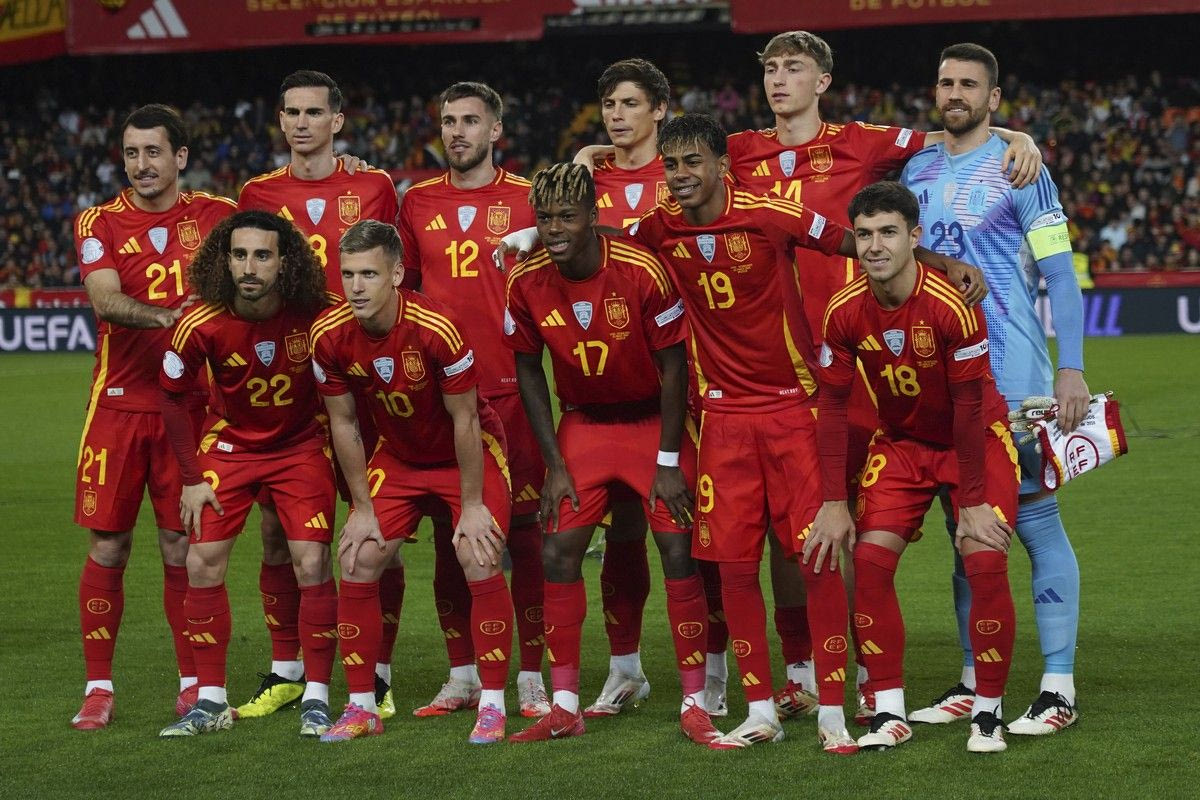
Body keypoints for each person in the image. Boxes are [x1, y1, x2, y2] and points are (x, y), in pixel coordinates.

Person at [726, 30, 1039, 723]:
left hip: (864, 366)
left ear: (822, 80)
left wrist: (1016, 135)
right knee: (796, 530)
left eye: (794, 68)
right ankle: (805, 669)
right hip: (780, 367)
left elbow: (952, 128)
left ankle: (871, 674)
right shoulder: (740, 151)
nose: (778, 80)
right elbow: (669, 166)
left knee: (863, 531)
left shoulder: (863, 143)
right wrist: (598, 154)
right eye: (770, 68)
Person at [900, 43, 1088, 735]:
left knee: (1034, 520)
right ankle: (975, 680)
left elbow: (1060, 273)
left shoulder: (1020, 168)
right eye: (946, 82)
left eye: (969, 85)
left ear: (993, 98)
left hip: (1012, 376)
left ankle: (1058, 684)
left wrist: (1071, 367)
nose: (955, 93)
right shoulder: (914, 169)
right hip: (938, 379)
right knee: (964, 529)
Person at [502, 163, 717, 745]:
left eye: (567, 217)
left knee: (678, 546)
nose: (554, 229)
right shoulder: (525, 281)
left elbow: (675, 367)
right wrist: (555, 465)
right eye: (545, 217)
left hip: (652, 422)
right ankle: (565, 705)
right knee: (558, 549)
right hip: (585, 425)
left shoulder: (641, 269)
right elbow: (528, 372)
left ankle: (695, 701)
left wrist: (668, 461)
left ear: (593, 217)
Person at [810, 180, 1019, 753]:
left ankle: (988, 712)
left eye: (888, 233)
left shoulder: (951, 305)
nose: (875, 246)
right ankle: (889, 710)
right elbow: (832, 406)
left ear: (914, 236)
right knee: (868, 563)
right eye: (864, 235)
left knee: (984, 557)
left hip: (973, 439)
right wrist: (833, 501)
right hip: (902, 444)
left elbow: (970, 408)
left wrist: (971, 501)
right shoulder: (843, 310)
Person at [237, 69, 403, 720]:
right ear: (280, 120)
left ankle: (378, 674)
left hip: (362, 385)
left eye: (314, 113)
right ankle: (287, 671)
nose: (301, 123)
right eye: (292, 112)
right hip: (289, 388)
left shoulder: (373, 186)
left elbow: (398, 277)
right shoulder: (256, 193)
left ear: (337, 120)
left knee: (378, 533)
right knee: (277, 535)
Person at [311, 220, 515, 744]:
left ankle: (492, 704)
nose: (356, 286)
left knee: (478, 553)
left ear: (397, 274)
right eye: (348, 274)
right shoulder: (328, 334)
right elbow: (344, 423)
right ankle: (361, 707)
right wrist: (361, 508)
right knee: (358, 557)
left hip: (463, 453)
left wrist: (472, 504)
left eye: (369, 274)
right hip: (400, 456)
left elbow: (465, 420)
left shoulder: (437, 327)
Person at [70, 104, 235, 730]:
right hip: (118, 406)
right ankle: (98, 688)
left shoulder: (216, 216)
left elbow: (278, 232)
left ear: (180, 156)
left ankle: (192, 682)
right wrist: (169, 317)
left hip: (191, 409)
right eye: (131, 153)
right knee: (109, 546)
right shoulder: (99, 221)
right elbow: (105, 299)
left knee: (180, 546)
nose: (141, 164)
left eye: (153, 151)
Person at [397, 81, 548, 719]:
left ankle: (532, 677)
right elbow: (403, 294)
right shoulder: (416, 201)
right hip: (441, 400)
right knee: (449, 536)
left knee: (527, 537)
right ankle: (461, 675)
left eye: (469, 120)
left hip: (513, 393)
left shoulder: (527, 198)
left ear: (496, 130)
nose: (456, 131)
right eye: (448, 120)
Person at [156, 211, 336, 738]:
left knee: (311, 560)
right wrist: (192, 479)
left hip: (301, 445)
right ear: (225, 260)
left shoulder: (318, 313)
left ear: (285, 262)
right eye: (239, 255)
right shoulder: (200, 322)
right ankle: (210, 701)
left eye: (262, 255)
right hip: (231, 445)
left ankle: (317, 696)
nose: (249, 267)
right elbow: (172, 397)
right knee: (201, 560)